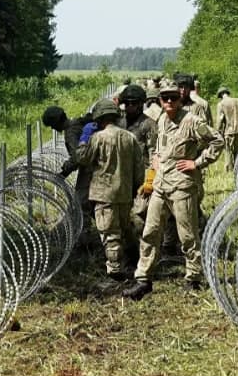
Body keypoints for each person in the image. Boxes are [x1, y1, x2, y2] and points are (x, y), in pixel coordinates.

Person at [123, 79, 224, 300]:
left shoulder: (191, 121)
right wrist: (156, 160)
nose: (169, 101)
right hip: (161, 185)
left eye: (173, 98)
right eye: (165, 98)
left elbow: (217, 140)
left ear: (180, 99)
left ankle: (193, 277)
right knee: (150, 231)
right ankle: (143, 278)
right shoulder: (160, 120)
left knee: (187, 234)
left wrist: (197, 163)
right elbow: (159, 146)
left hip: (182, 186)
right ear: (160, 100)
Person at [76, 99, 143, 282]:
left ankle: (115, 271)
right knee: (124, 228)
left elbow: (83, 159)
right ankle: (135, 260)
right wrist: (135, 188)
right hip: (125, 192)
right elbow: (139, 169)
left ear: (99, 117)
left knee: (110, 233)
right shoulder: (130, 137)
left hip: (104, 193)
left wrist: (83, 141)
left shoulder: (98, 138)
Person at [42, 105, 95, 236]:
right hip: (96, 165)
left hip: (89, 169)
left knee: (80, 203)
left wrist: (64, 172)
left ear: (56, 122)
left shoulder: (70, 132)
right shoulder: (78, 123)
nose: (53, 129)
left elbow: (78, 158)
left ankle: (85, 237)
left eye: (52, 125)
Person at [118, 83, 158, 244]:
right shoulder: (119, 123)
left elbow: (154, 153)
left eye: (133, 103)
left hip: (142, 178)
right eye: (126, 103)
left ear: (141, 103)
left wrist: (150, 179)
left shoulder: (149, 124)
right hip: (121, 177)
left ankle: (143, 251)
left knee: (139, 216)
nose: (129, 107)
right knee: (122, 218)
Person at [215, 87, 238, 174]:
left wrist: (218, 132)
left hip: (229, 132)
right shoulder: (237, 101)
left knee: (228, 151)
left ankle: (229, 171)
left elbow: (220, 120)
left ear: (220, 95)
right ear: (227, 92)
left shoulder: (221, 104)